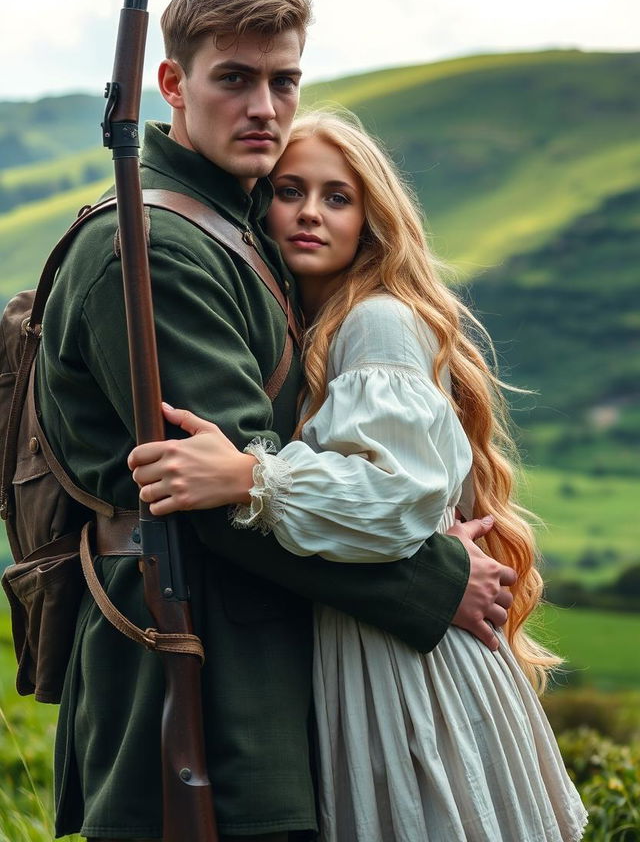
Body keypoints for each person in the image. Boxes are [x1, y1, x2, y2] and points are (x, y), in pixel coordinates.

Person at [37, 0, 515, 842]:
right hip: (195, 667)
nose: (264, 105)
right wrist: (436, 579)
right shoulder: (152, 253)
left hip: (263, 656)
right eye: (235, 78)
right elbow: (214, 489)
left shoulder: (240, 227)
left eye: (283, 80)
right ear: (173, 84)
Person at [129, 111, 588, 842]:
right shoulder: (315, 331)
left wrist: (253, 478)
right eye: (290, 191)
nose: (310, 213)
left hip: (407, 661)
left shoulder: (374, 321)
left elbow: (392, 497)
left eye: (337, 197)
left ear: (370, 220)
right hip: (368, 643)